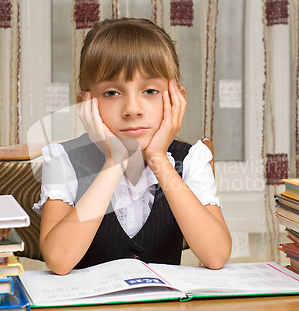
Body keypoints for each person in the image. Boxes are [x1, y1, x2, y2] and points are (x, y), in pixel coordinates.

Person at [34, 18, 231, 275]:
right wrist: (114, 161)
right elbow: (59, 260)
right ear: (86, 104)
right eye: (112, 93)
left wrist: (159, 159)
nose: (132, 110)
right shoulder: (63, 160)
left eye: (149, 91)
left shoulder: (191, 159)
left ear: (176, 99)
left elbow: (215, 256)